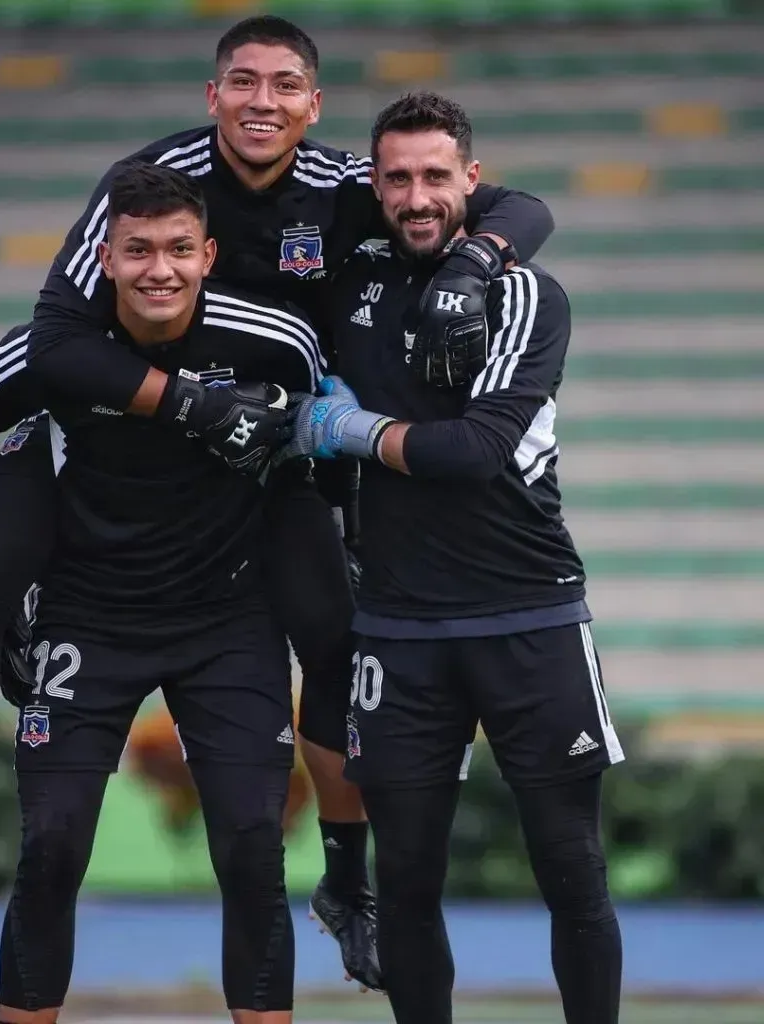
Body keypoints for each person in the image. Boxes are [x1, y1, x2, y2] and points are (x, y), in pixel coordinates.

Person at [0, 15, 555, 989]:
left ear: (311, 105)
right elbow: (52, 340)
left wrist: (476, 265)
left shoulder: (344, 192)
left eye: (283, 85)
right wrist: (183, 400)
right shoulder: (142, 179)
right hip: (109, 431)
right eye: (242, 82)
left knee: (329, 626)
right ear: (211, 96)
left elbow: (513, 204)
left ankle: (344, 882)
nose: (261, 102)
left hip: (260, 452)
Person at [279, 91, 625, 1024]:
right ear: (375, 185)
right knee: (409, 885)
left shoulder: (523, 293)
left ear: (473, 178)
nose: (418, 195)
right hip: (397, 626)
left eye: (438, 175)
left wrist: (347, 428)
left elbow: (472, 454)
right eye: (398, 177)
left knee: (572, 872)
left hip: (532, 612)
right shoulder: (345, 280)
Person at [0, 163, 319, 1023]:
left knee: (253, 847)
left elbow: (314, 469)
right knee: (53, 845)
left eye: (179, 249)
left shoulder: (277, 341)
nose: (160, 269)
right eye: (138, 250)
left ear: (209, 254)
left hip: (229, 619)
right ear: (105, 257)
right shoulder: (62, 350)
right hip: (87, 617)